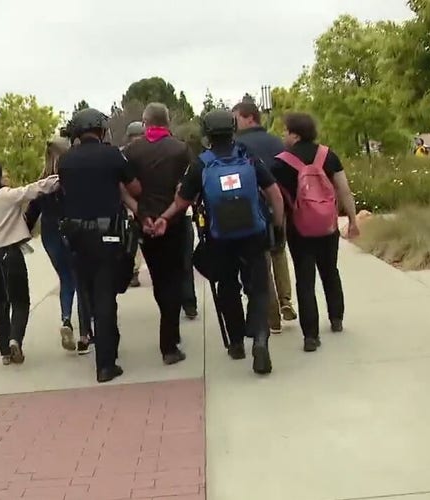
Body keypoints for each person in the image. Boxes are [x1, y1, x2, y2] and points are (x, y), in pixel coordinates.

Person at [150, 109, 285, 375]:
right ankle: (259, 337)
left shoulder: (201, 164)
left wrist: (164, 217)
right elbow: (274, 194)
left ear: (207, 133)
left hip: (219, 237)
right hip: (253, 234)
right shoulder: (248, 158)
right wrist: (278, 227)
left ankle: (236, 342)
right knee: (258, 289)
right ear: (233, 129)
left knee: (227, 287)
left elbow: (183, 201)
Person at [58, 107, 142, 383]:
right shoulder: (112, 155)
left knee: (90, 293)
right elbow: (135, 188)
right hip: (107, 235)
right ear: (101, 130)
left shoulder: (66, 161)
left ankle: (99, 340)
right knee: (106, 296)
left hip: (77, 237)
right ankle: (106, 363)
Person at [270, 112, 359, 353]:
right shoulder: (328, 155)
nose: (283, 135)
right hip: (328, 227)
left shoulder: (280, 163)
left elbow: (275, 197)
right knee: (330, 271)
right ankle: (336, 318)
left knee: (305, 279)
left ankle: (311, 335)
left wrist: (278, 224)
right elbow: (344, 190)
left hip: (299, 229)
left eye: (286, 131)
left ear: (295, 134)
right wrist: (352, 220)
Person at [0, 160, 60, 365]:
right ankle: (15, 340)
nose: (7, 175)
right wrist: (60, 177)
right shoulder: (4, 196)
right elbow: (34, 190)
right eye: (3, 173)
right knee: (20, 301)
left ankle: (5, 353)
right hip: (8, 255)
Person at [122, 103, 189, 365]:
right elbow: (186, 189)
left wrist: (142, 214)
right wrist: (166, 216)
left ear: (145, 122)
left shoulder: (131, 151)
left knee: (159, 278)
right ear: (168, 121)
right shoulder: (181, 149)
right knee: (174, 277)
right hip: (173, 222)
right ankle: (169, 343)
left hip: (145, 223)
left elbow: (123, 188)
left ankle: (169, 329)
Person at [232, 101, 298, 334]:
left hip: (252, 209)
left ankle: (272, 318)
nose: (234, 123)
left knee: (263, 262)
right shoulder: (276, 142)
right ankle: (286, 299)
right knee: (280, 251)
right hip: (278, 204)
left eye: (237, 118)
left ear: (250, 118)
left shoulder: (238, 146)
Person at [25, 137, 93, 355]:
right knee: (82, 279)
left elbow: (31, 214)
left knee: (65, 278)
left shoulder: (42, 182)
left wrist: (20, 235)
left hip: (50, 234)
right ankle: (85, 333)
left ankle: (66, 319)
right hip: (72, 230)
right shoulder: (71, 178)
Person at [121, 121, 146, 288]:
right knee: (132, 238)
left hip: (136, 200)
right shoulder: (124, 154)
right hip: (132, 201)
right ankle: (134, 272)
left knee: (134, 238)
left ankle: (134, 271)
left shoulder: (124, 154)